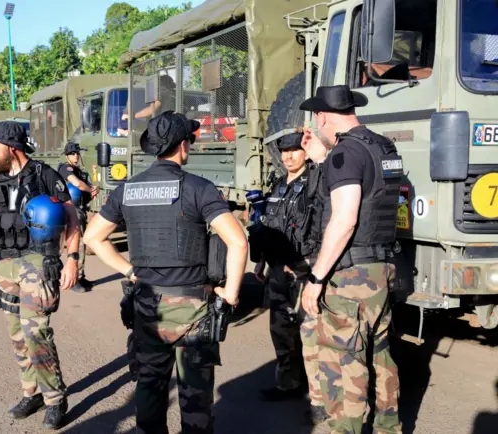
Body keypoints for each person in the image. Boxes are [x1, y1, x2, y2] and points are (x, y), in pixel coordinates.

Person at [84, 111, 248, 434]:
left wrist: (130, 270)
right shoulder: (199, 188)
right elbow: (238, 242)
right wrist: (229, 295)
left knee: (149, 392)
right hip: (194, 309)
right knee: (195, 402)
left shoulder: (127, 190)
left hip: (147, 306)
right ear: (183, 146)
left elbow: (93, 238)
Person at [299, 85, 403, 434]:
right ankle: (388, 427)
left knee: (345, 357)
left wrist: (315, 279)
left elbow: (344, 221)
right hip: (382, 268)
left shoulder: (346, 154)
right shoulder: (383, 147)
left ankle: (346, 428)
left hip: (352, 274)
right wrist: (322, 158)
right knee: (380, 352)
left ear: (322, 116)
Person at [0, 121, 81, 430]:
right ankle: (30, 393)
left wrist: (71, 260)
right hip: (4, 265)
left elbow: (71, 216)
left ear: (11, 148)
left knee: (36, 334)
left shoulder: (43, 175)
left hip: (35, 262)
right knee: (17, 336)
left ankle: (55, 399)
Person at [250, 132, 329, 422]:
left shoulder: (316, 183)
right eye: (284, 151)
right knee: (282, 332)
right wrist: (260, 262)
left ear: (305, 152)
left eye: (294, 150)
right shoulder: (277, 185)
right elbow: (268, 224)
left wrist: (309, 269)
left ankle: (320, 402)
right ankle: (288, 383)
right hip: (277, 270)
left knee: (311, 338)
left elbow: (322, 229)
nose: (288, 156)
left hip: (303, 271)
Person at [58, 139, 99, 292]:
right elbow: (77, 184)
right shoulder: (65, 168)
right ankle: (74, 279)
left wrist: (92, 192)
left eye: (77, 153)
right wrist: (89, 189)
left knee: (83, 242)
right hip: (71, 210)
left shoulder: (79, 171)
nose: (75, 156)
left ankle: (80, 276)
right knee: (77, 244)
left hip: (80, 209)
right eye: (72, 153)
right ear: (67, 155)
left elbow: (84, 190)